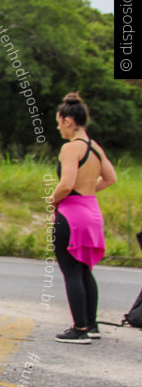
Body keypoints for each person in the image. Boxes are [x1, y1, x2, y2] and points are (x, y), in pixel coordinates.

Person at [47, 92, 116, 344]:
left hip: (72, 214)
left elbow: (65, 184)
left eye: (58, 121)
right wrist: (86, 192)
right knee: (85, 270)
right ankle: (92, 324)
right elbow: (110, 179)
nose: (57, 127)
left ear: (67, 121)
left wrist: (52, 200)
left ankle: (79, 329)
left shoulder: (70, 148)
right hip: (92, 213)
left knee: (71, 271)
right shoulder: (95, 147)